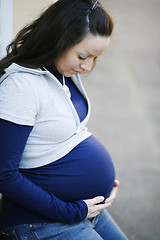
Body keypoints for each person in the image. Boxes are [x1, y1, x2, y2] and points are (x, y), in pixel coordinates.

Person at [0, 0, 128, 239]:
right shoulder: (20, 86)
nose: (87, 66)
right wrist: (70, 210)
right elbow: (3, 175)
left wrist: (101, 184)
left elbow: (60, 140)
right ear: (58, 39)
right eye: (83, 55)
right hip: (42, 222)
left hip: (85, 210)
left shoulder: (60, 73)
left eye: (95, 58)